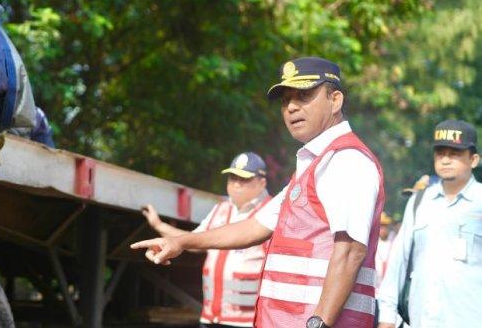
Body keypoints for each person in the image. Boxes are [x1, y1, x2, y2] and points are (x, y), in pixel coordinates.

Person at [132, 57, 385, 328]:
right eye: (285, 100)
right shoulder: (315, 165)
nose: (291, 107)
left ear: (335, 101)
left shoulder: (346, 161)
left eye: (304, 95)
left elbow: (350, 252)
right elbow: (253, 227)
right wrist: (182, 242)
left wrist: (318, 324)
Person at [142, 152, 272, 327]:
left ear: (262, 183)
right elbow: (194, 242)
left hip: (249, 321)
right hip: (211, 317)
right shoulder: (221, 208)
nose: (236, 184)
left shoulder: (271, 211)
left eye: (244, 179)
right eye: (232, 178)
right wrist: (159, 225)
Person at [377, 120, 482, 328]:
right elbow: (398, 263)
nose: (445, 159)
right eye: (440, 153)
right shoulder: (419, 202)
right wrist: (386, 320)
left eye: (455, 153)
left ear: (474, 160)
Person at [375, 212, 395, 288]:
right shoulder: (374, 243)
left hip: (389, 285)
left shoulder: (394, 241)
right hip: (376, 285)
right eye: (380, 226)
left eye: (384, 226)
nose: (382, 229)